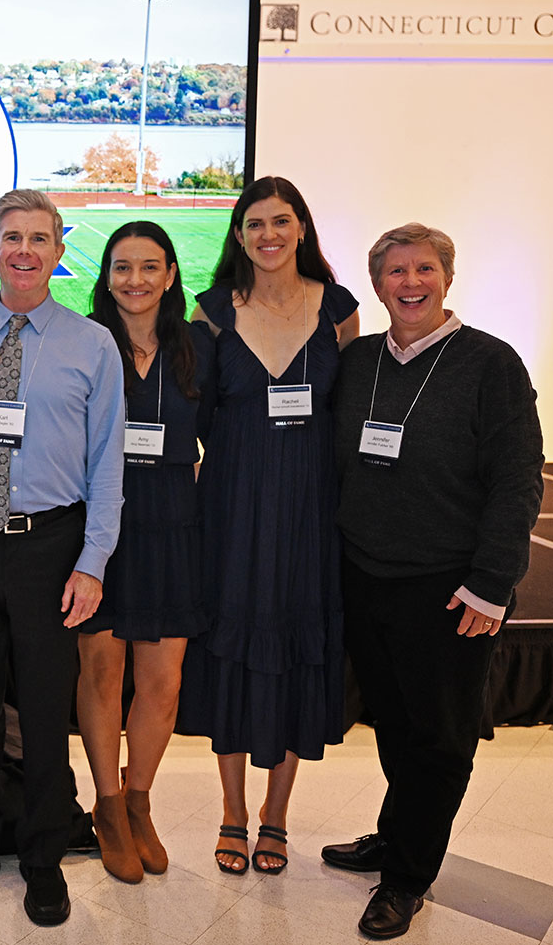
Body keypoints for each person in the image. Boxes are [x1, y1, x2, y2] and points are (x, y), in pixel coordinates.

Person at [325, 223, 542, 938]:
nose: (409, 282)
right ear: (379, 283)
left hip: (449, 589)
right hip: (367, 576)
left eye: (423, 269)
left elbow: (516, 483)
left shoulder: (491, 364)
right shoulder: (358, 361)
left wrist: (492, 584)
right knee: (394, 723)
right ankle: (398, 832)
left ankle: (407, 877)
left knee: (441, 738)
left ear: (447, 278)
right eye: (395, 271)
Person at [0, 189, 126, 925]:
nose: (24, 250)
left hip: (53, 547)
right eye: (11, 237)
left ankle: (44, 857)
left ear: (58, 249)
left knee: (48, 714)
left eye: (39, 238)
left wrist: (93, 560)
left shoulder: (93, 345)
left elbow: (109, 459)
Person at [179, 176, 360, 877]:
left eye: (281, 221)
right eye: (254, 224)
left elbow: (348, 417)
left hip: (312, 508)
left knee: (294, 650)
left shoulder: (340, 311)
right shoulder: (213, 311)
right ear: (239, 235)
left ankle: (275, 817)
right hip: (232, 505)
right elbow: (191, 418)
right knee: (231, 648)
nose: (268, 235)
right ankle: (230, 811)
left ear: (302, 228)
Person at [79, 221, 212, 882]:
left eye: (149, 266)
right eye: (123, 267)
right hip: (100, 530)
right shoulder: (83, 342)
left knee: (162, 684)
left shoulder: (198, 349)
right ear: (106, 275)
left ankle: (139, 801)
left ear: (169, 275)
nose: (136, 279)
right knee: (103, 676)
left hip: (172, 528)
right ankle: (105, 806)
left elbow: (220, 439)